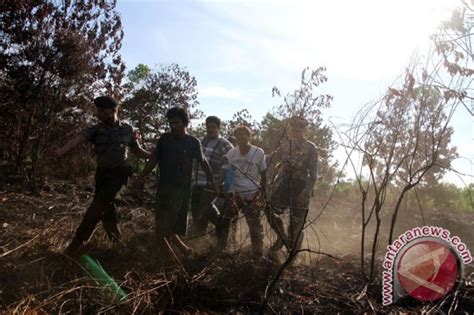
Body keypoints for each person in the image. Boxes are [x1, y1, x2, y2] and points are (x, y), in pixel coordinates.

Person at [50, 96, 151, 255]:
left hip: (120, 175)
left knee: (97, 207)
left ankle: (77, 243)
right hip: (102, 175)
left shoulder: (127, 129)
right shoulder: (96, 129)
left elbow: (137, 150)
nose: (98, 113)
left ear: (113, 110)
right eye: (98, 110)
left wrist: (154, 156)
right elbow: (78, 138)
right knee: (106, 208)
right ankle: (117, 242)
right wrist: (61, 151)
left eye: (102, 110)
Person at [135, 107, 216, 258]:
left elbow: (204, 162)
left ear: (185, 123)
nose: (173, 126)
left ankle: (171, 261)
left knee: (165, 228)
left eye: (176, 122)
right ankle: (183, 251)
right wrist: (141, 176)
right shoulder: (165, 139)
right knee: (162, 225)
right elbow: (154, 159)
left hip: (181, 191)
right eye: (171, 123)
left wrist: (212, 182)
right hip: (163, 189)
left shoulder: (192, 142)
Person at [267, 116, 318, 253]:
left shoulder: (311, 147)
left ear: (304, 129)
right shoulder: (285, 146)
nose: (296, 129)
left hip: (301, 185)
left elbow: (313, 174)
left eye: (300, 126)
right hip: (284, 184)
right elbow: (271, 160)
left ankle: (292, 256)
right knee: (269, 209)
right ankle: (281, 238)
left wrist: (306, 192)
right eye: (293, 126)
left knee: (295, 225)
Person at [223, 125, 267, 257]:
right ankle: (225, 248)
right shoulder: (231, 153)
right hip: (236, 193)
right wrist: (229, 194)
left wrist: (262, 194)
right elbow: (229, 176)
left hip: (252, 193)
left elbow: (264, 173)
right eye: (238, 135)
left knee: (254, 224)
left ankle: (258, 253)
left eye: (243, 135)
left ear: (249, 136)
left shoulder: (258, 152)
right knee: (226, 220)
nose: (241, 138)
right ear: (235, 138)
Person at [191, 116, 233, 236]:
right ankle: (217, 231)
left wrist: (223, 185)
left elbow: (231, 166)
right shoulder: (201, 142)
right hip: (197, 182)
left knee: (203, 212)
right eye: (208, 127)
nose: (210, 130)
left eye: (213, 127)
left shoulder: (225, 144)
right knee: (195, 212)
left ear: (219, 128)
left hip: (212, 185)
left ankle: (206, 238)